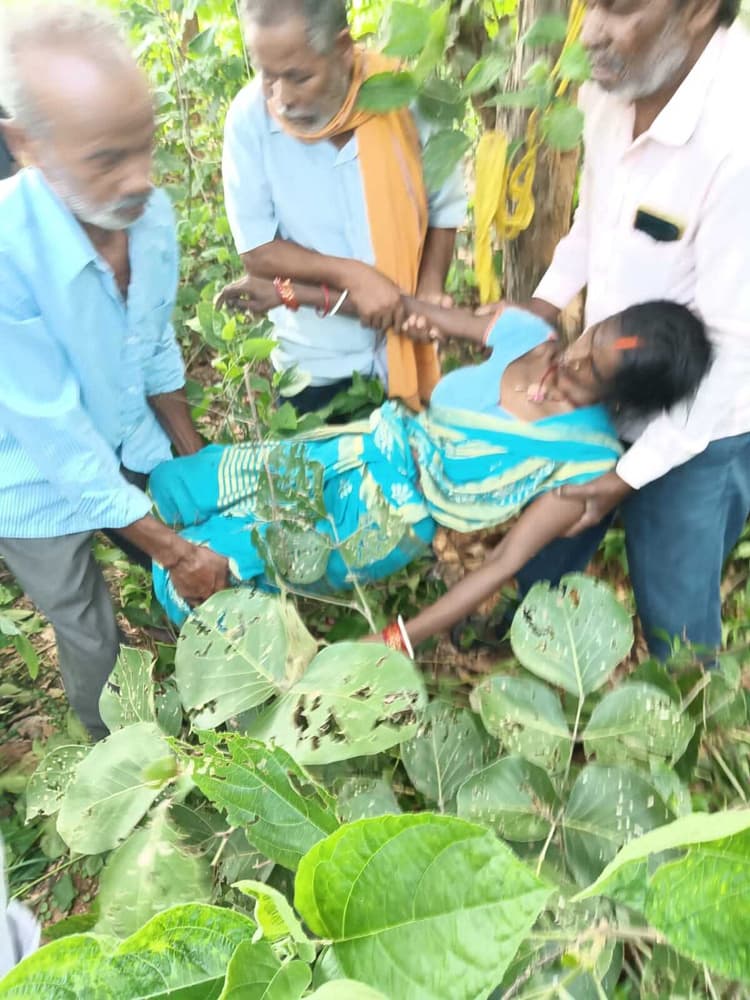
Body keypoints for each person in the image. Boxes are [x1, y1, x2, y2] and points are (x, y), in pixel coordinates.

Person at [149, 289, 712, 644]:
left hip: (376, 522)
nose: (574, 356)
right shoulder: (531, 338)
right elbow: (407, 312)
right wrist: (294, 293)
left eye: (592, 370)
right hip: (350, 449)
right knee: (188, 487)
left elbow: (503, 565)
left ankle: (233, 671)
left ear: (622, 397)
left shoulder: (584, 460)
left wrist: (398, 638)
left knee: (214, 566)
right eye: (592, 337)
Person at [0, 2, 230, 740]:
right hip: (30, 480)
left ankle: (222, 684)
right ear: (27, 146)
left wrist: (193, 459)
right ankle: (120, 751)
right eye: (106, 159)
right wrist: (177, 550)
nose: (139, 179)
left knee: (208, 545)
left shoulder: (148, 216)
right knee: (87, 627)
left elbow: (151, 343)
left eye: (146, 147)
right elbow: (57, 439)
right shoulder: (6, 251)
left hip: (126, 436)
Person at [505, 0, 750, 659]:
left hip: (701, 422)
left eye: (618, 10)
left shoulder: (738, 137)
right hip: (602, 379)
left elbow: (733, 350)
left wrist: (629, 473)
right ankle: (516, 638)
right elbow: (593, 226)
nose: (589, 33)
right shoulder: (612, 89)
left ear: (698, 10)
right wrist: (541, 308)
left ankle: (688, 702)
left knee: (676, 610)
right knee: (546, 542)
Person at [221, 0, 465, 415]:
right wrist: (352, 274)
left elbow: (445, 207)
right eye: (267, 75)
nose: (281, 98)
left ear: (343, 47)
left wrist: (429, 288)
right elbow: (258, 250)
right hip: (314, 368)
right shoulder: (249, 122)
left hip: (408, 351)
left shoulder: (406, 98)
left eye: (299, 77)